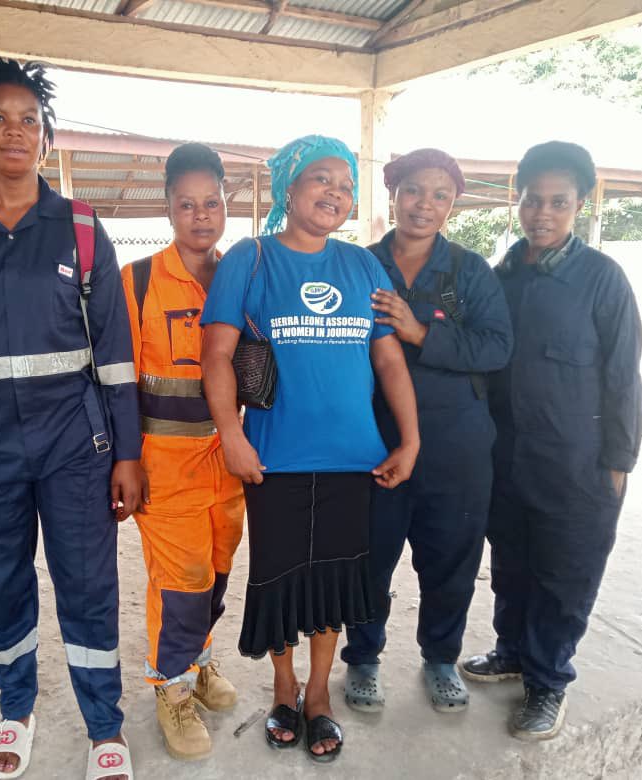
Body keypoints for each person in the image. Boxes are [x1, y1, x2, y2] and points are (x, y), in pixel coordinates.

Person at [0, 59, 143, 780]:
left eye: (29, 121)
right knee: (0, 582)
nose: (15, 132)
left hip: (76, 444)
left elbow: (114, 352)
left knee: (87, 584)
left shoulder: (78, 227)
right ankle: (15, 708)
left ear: (46, 137)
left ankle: (104, 724)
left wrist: (127, 452)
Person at [200, 135, 420, 763]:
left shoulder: (362, 267)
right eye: (321, 179)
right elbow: (215, 355)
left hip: (355, 459)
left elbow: (387, 357)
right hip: (275, 461)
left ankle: (319, 696)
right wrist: (232, 435)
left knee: (332, 587)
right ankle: (284, 688)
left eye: (346, 186)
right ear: (289, 188)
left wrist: (410, 438)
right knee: (280, 581)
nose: (335, 193)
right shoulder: (253, 258)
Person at [461, 141, 642, 741]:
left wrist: (618, 461)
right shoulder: (503, 276)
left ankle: (547, 681)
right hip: (509, 460)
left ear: (580, 204)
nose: (542, 213)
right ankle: (513, 650)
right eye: (533, 200)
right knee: (513, 564)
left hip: (577, 464)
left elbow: (624, 376)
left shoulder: (601, 280)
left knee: (565, 574)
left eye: (558, 203)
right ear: (517, 199)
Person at [341, 149, 513, 713]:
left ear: (452, 205)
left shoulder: (470, 270)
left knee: (451, 559)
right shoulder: (359, 265)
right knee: (369, 555)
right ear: (394, 194)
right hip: (376, 440)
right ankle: (363, 658)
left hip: (457, 446)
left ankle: (440, 657)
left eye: (440, 195)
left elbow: (496, 347)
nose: (425, 204)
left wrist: (421, 333)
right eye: (415, 190)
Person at [119, 143, 245, 761]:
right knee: (182, 580)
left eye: (212, 202)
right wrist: (125, 461)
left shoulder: (241, 277)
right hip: (165, 465)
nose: (201, 215)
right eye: (187, 204)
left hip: (231, 462)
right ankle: (169, 687)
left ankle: (197, 660)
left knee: (218, 571)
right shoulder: (138, 280)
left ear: (228, 204)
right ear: (167, 208)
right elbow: (117, 382)